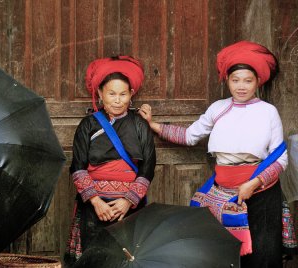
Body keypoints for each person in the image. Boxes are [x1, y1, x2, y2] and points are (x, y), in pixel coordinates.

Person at [138, 41, 287, 268]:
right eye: (235, 80)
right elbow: (189, 136)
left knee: (263, 255)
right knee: (226, 256)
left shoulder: (268, 112)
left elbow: (280, 157)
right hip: (223, 194)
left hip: (261, 194)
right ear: (226, 80)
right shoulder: (218, 108)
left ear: (258, 82)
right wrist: (153, 125)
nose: (241, 86)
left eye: (248, 80)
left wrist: (253, 184)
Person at [64, 56, 156, 266]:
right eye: (111, 93)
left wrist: (128, 201)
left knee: (128, 259)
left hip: (130, 206)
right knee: (94, 258)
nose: (117, 100)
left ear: (131, 95)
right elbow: (77, 167)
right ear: (100, 94)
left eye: (123, 94)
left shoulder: (140, 125)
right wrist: (96, 202)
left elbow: (148, 167)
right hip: (94, 208)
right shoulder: (88, 125)